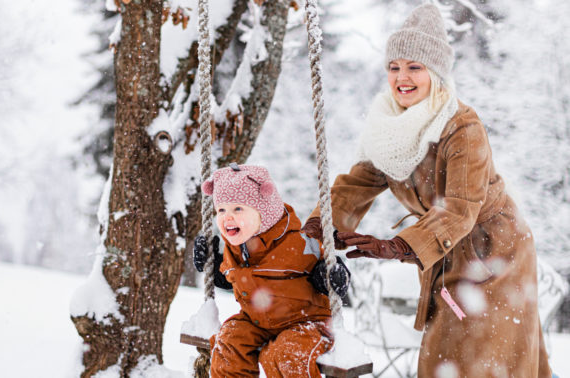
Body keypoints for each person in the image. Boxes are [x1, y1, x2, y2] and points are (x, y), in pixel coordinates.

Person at [302, 4, 552, 377]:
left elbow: (460, 208)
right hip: (442, 245)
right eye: (394, 67)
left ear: (435, 73)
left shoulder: (461, 127)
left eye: (414, 67)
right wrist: (315, 231)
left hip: (493, 251)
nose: (402, 78)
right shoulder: (390, 126)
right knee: (443, 356)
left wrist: (398, 245)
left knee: (480, 356)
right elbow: (356, 185)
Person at [193, 163, 349, 377]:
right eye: (221, 210)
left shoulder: (296, 243)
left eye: (238, 208)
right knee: (230, 341)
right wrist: (210, 264)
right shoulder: (236, 248)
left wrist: (332, 275)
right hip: (257, 322)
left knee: (283, 354)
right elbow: (234, 279)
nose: (227, 217)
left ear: (263, 212)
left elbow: (326, 261)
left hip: (307, 322)